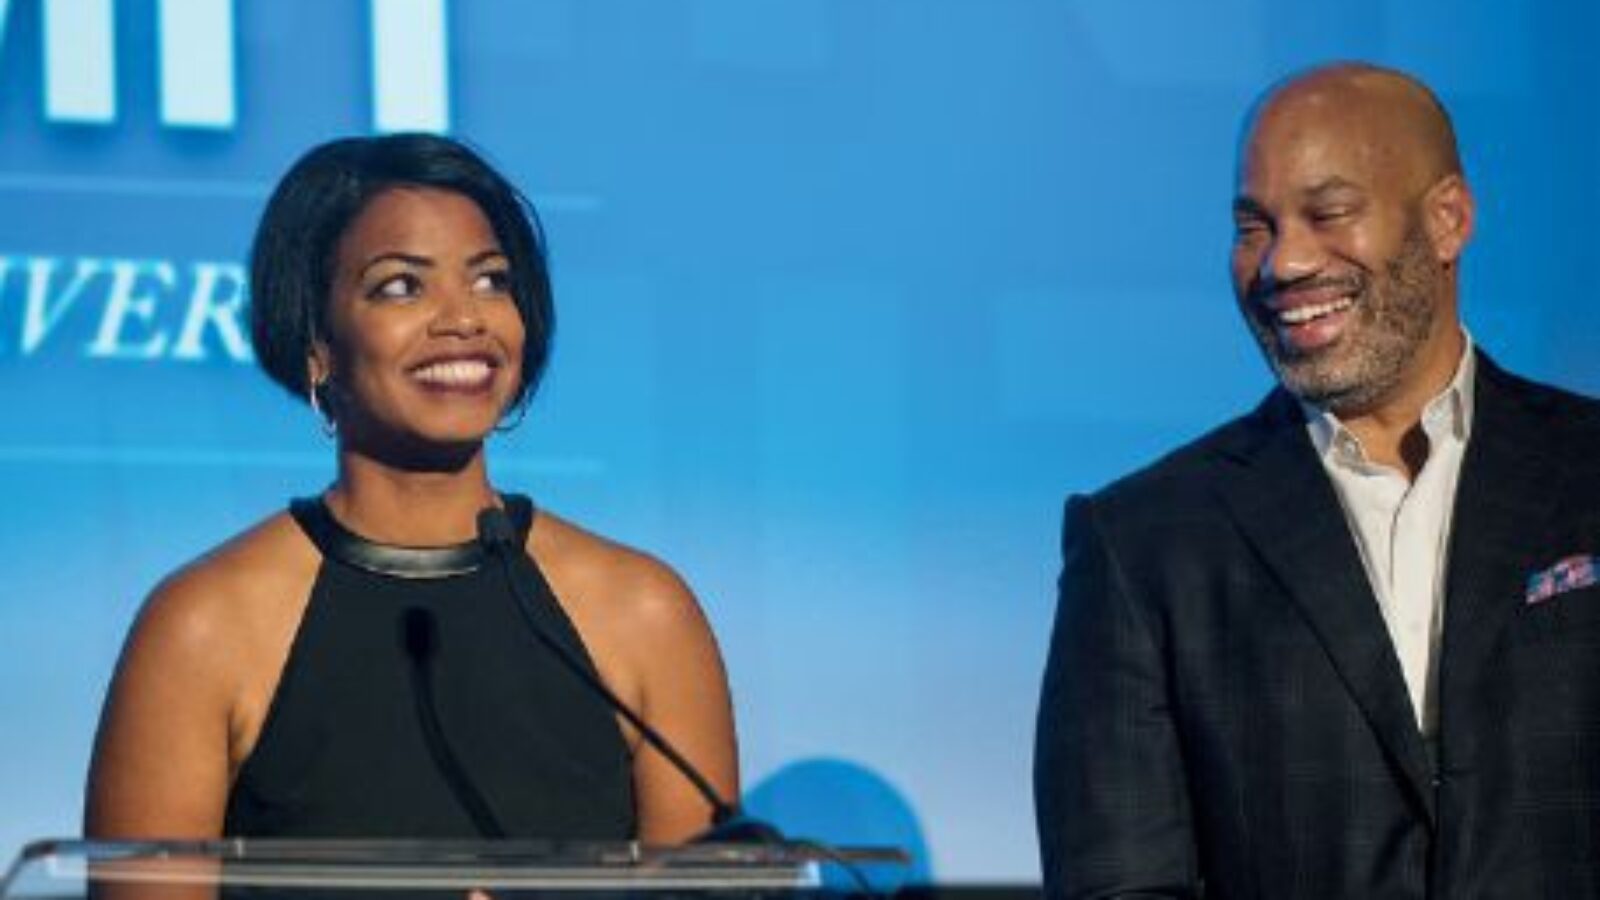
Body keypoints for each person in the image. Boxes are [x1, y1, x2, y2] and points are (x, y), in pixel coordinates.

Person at [1034, 62, 1600, 897]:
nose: (1282, 263)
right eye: (1253, 227)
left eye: (1327, 213)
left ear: (1448, 219)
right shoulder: (1144, 544)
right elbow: (1118, 881)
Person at [85, 134, 738, 844]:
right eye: (401, 285)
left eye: (492, 280)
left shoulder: (644, 612)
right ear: (316, 343)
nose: (464, 319)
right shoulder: (203, 626)